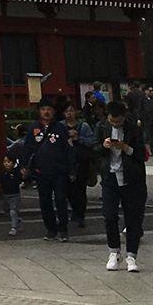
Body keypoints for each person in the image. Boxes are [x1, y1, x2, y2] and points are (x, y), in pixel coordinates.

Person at [99, 98, 149, 271]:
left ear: (124, 117)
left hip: (131, 178)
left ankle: (131, 255)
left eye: (118, 122)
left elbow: (142, 154)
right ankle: (114, 251)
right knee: (109, 215)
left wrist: (125, 147)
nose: (115, 124)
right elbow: (94, 150)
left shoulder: (134, 129)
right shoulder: (101, 127)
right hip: (110, 177)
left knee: (133, 217)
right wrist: (104, 146)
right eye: (112, 121)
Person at [18, 98, 75, 240]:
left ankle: (63, 229)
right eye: (43, 109)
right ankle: (51, 229)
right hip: (41, 171)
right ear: (39, 111)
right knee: (45, 201)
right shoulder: (34, 128)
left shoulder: (60, 128)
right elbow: (27, 148)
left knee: (61, 199)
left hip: (59, 171)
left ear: (54, 111)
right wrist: (23, 166)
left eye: (49, 109)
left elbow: (68, 149)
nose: (46, 112)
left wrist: (72, 169)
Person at [61, 99, 95, 233]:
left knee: (80, 189)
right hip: (66, 162)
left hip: (81, 162)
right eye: (66, 111)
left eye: (71, 111)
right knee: (69, 190)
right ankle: (75, 210)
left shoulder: (83, 126)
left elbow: (91, 141)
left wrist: (78, 138)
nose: (69, 113)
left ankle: (80, 214)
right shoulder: (61, 126)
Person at [0, 146, 24, 237]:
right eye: (4, 162)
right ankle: (18, 220)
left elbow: (21, 180)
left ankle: (14, 228)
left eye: (8, 162)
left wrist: (23, 176)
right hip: (6, 195)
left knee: (13, 211)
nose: (6, 164)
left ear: (13, 163)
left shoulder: (16, 172)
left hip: (15, 195)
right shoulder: (3, 172)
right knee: (7, 211)